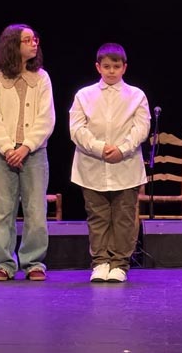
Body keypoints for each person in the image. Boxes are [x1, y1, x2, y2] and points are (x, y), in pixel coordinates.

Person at [69, 43, 151, 283]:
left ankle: (119, 263)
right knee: (97, 217)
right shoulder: (84, 95)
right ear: (98, 67)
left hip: (125, 166)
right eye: (106, 66)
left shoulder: (136, 96)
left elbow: (141, 127)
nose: (111, 71)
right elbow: (76, 128)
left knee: (124, 217)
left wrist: (122, 149)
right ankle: (101, 262)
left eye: (116, 66)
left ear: (124, 67)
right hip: (92, 165)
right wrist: (99, 147)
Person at [0, 24, 55, 281]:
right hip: (4, 154)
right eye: (27, 40)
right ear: (13, 44)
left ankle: (33, 262)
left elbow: (46, 118)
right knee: (2, 210)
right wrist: (7, 148)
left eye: (35, 39)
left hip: (34, 153)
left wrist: (26, 146)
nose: (34, 43)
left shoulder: (42, 78)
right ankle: (4, 263)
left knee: (36, 209)